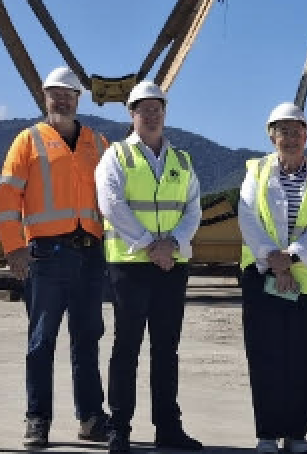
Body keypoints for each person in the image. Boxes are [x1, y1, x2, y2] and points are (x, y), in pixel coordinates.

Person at [0, 66, 112, 449]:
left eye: (68, 94)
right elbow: (8, 197)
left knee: (87, 339)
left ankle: (91, 418)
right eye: (55, 94)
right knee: (41, 341)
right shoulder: (27, 141)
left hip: (90, 255)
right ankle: (37, 419)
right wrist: (13, 247)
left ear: (78, 99)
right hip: (46, 256)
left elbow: (114, 198)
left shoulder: (99, 143)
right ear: (44, 98)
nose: (62, 99)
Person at [95, 81, 203, 454]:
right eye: (144, 109)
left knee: (166, 349)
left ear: (164, 112)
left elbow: (193, 210)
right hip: (130, 266)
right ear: (132, 114)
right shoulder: (116, 157)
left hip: (171, 265)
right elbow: (112, 206)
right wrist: (149, 245)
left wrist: (171, 245)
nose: (151, 114)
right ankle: (119, 428)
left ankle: (168, 428)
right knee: (126, 347)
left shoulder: (183, 161)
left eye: (157, 108)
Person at [238, 102, 307, 454]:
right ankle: (267, 432)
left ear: (306, 135)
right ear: (271, 135)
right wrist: (273, 259)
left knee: (303, 358)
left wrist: (291, 257)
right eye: (283, 131)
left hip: (304, 279)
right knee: (265, 355)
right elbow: (248, 218)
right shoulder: (257, 171)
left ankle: (296, 433)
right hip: (262, 275)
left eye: (296, 131)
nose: (290, 138)